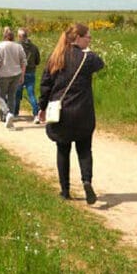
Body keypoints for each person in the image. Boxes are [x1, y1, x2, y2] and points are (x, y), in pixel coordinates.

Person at [38, 23, 104, 204]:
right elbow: (101, 64)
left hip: (62, 112)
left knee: (62, 149)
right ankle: (86, 181)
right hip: (83, 112)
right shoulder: (88, 59)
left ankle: (65, 190)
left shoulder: (56, 57)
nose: (90, 40)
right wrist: (88, 50)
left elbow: (46, 84)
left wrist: (41, 107)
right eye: (88, 37)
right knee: (84, 150)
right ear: (78, 38)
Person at [0, 27, 26, 128]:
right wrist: (22, 75)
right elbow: (24, 62)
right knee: (12, 96)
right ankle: (10, 118)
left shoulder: (1, 46)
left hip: (3, 74)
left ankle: (7, 113)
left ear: (4, 36)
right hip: (16, 74)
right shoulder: (18, 46)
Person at [13, 27, 41, 123]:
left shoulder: (17, 46)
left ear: (20, 36)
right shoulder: (34, 47)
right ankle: (36, 114)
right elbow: (38, 61)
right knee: (31, 94)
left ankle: (15, 113)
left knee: (17, 93)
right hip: (31, 73)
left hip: (19, 73)